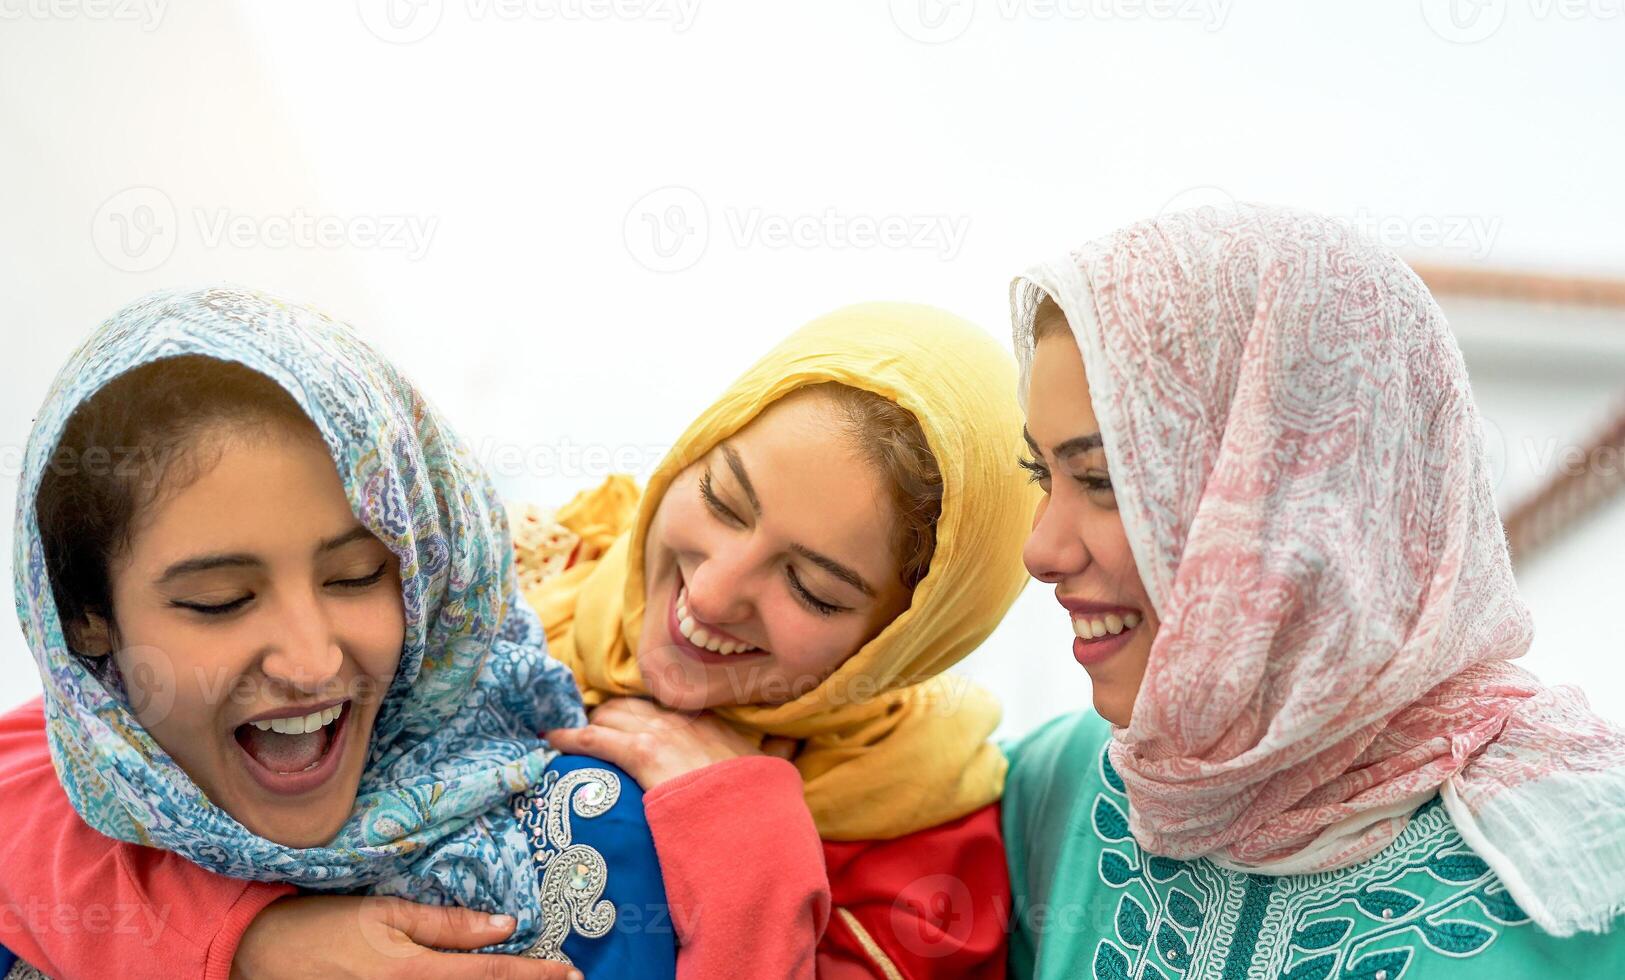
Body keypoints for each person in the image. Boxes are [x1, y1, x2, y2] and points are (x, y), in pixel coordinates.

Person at [2, 299, 1036, 978]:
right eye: (721, 498)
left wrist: (749, 832)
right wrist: (257, 943)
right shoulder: (492, 600)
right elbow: (42, 779)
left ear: (913, 633)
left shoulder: (926, 843)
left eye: (810, 586)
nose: (713, 592)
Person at [1001, 204, 1625, 978]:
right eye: (1041, 474)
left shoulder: (1581, 871)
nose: (1040, 549)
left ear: (1306, 502)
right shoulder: (1053, 797)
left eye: (1105, 482)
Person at [0, 286, 670, 979]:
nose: (312, 663)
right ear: (85, 621)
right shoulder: (43, 853)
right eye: (220, 600)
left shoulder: (588, 836)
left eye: (354, 576)